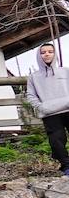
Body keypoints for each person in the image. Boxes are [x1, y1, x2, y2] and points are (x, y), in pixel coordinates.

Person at [26, 41, 69, 176]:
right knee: (57, 140)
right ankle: (66, 166)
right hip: (50, 113)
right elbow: (31, 95)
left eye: (50, 52)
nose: (47, 55)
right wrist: (41, 107)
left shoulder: (65, 71)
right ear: (39, 55)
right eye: (43, 52)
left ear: (54, 54)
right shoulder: (34, 77)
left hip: (68, 109)